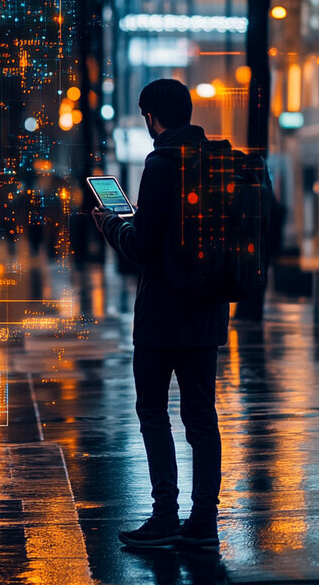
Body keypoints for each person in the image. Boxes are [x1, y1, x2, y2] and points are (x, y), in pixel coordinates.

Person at [92, 78, 229, 549]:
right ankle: (204, 522)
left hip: (160, 317)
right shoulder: (217, 160)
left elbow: (143, 245)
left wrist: (111, 225)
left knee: (153, 412)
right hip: (206, 315)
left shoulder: (161, 162)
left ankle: (165, 515)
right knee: (201, 417)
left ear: (152, 116)